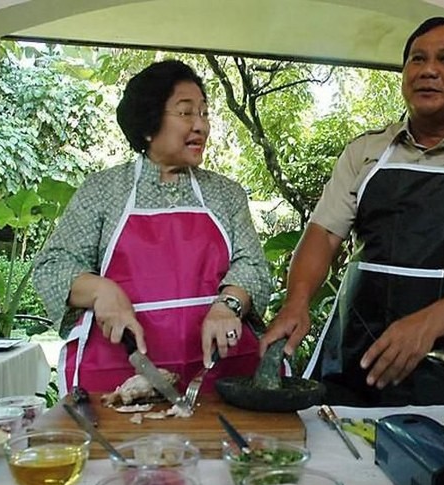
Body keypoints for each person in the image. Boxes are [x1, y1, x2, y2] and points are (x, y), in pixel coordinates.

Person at [260, 17, 444, 406]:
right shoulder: (364, 152)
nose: (428, 70)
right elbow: (323, 233)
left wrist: (428, 323)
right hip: (353, 361)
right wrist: (296, 301)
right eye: (417, 59)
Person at [33, 59, 271, 396]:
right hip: (118, 379)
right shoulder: (104, 191)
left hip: (221, 376)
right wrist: (102, 290)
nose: (201, 125)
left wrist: (228, 304)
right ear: (148, 124)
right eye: (186, 112)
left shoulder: (226, 194)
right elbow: (52, 266)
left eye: (204, 113)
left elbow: (255, 267)